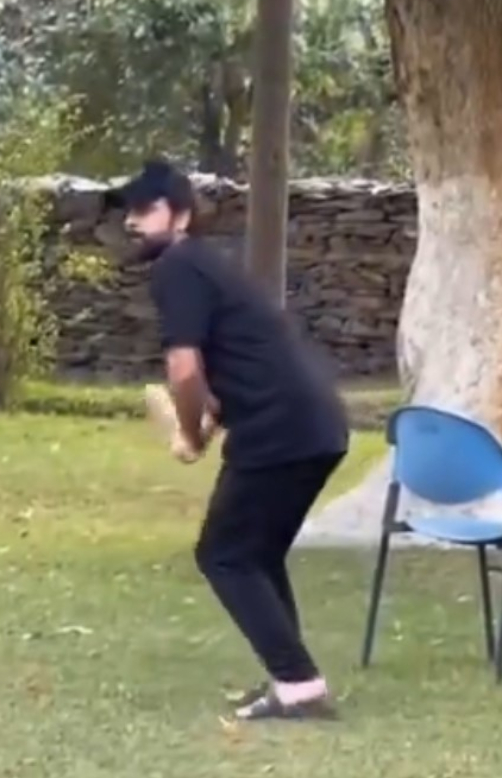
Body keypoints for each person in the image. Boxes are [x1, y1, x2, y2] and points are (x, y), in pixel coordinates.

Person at [107, 159, 350, 721]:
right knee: (256, 554)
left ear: (182, 214)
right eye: (129, 213)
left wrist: (189, 433)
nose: (133, 222)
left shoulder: (176, 267)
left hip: (281, 428)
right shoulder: (206, 266)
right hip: (317, 424)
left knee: (224, 554)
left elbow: (186, 373)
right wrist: (207, 422)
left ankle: (299, 684)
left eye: (146, 209)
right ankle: (294, 679)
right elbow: (224, 379)